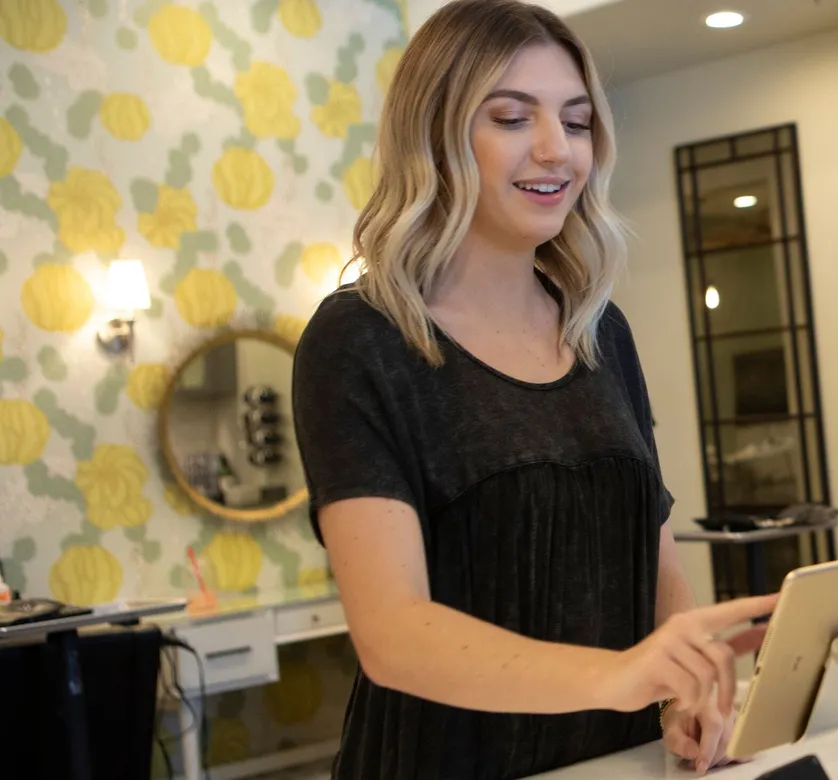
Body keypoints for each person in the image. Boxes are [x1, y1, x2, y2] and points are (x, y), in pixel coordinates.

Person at [292, 2, 775, 777]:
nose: (557, 150)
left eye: (577, 123)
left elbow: (658, 569)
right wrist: (619, 675)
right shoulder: (361, 340)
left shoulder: (600, 330)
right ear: (435, 135)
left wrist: (689, 689)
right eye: (512, 118)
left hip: (620, 764)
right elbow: (393, 635)